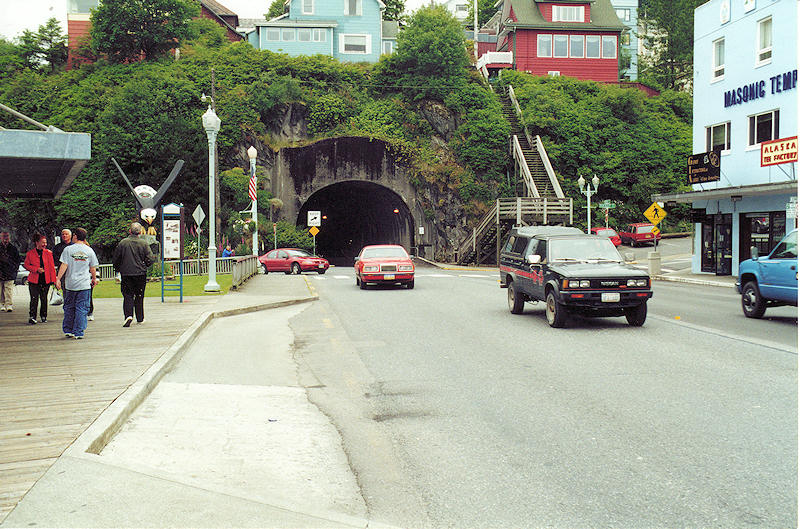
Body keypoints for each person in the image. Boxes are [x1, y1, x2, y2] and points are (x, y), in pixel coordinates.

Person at [55, 228, 98, 339]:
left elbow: (64, 265)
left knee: (69, 307)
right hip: (84, 284)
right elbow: (92, 267)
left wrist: (58, 278)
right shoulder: (89, 250)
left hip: (70, 284)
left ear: (75, 236)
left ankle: (68, 329)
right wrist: (94, 279)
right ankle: (79, 332)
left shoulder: (68, 250)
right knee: (82, 308)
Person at [113, 222, 155, 327]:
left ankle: (128, 315)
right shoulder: (144, 243)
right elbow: (150, 258)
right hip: (140, 273)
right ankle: (140, 318)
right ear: (140, 232)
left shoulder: (123, 243)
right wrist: (145, 265)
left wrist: (118, 269)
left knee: (128, 294)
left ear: (130, 231)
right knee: (139, 295)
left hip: (126, 273)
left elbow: (116, 258)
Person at [24, 233, 57, 324]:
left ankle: (43, 316)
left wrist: (54, 280)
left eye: (45, 242)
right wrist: (36, 269)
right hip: (34, 280)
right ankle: (32, 316)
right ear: (37, 242)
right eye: (43, 242)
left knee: (44, 298)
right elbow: (26, 265)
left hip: (45, 280)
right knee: (34, 299)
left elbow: (51, 267)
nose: (45, 244)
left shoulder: (49, 253)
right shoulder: (30, 253)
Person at [0, 230, 21, 312]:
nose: (5, 239)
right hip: (0, 272)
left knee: (8, 290)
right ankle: (2, 304)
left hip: (10, 272)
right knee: (0, 290)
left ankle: (8, 304)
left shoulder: (13, 248)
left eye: (7, 237)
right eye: (3, 237)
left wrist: (14, 269)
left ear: (9, 238)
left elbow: (17, 260)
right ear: (1, 238)